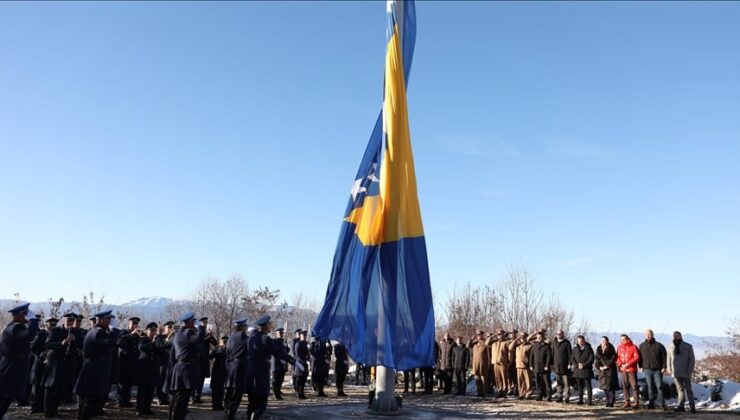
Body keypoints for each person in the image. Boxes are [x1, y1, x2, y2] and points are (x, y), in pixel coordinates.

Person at [245, 315, 300, 420]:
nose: (271, 326)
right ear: (266, 326)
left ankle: (250, 416)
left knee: (252, 400)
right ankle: (255, 416)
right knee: (262, 400)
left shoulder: (252, 337)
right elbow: (278, 353)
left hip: (250, 370)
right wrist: (293, 361)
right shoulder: (266, 338)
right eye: (270, 324)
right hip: (261, 371)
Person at [74, 310, 120, 420]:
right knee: (88, 401)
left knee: (94, 400)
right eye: (107, 319)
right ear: (100, 320)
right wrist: (114, 329)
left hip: (97, 369)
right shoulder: (97, 332)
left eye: (110, 319)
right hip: (93, 371)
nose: (109, 321)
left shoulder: (99, 331)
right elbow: (110, 342)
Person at [0, 303, 40, 419]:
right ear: (17, 315)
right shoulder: (16, 327)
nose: (26, 316)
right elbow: (31, 335)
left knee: (7, 394)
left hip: (10, 364)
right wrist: (32, 319)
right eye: (25, 314)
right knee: (7, 394)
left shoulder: (10, 327)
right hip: (13, 366)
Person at [168, 311, 206, 420]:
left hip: (179, 368)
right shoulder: (186, 334)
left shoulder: (178, 334)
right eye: (193, 321)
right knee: (181, 400)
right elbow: (199, 338)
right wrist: (202, 327)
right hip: (185, 369)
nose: (195, 323)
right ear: (188, 322)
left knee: (179, 398)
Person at [43, 313, 74, 418]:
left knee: (59, 388)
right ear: (64, 320)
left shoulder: (72, 332)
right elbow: (48, 344)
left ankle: (55, 410)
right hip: (54, 363)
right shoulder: (56, 330)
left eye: (72, 321)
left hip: (65, 364)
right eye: (69, 320)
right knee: (50, 388)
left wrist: (74, 341)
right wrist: (61, 343)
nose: (70, 323)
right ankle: (47, 412)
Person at [224, 318, 249, 420]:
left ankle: (227, 414)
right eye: (245, 326)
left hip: (230, 368)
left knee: (229, 394)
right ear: (242, 327)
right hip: (239, 368)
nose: (246, 328)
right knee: (236, 395)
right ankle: (230, 416)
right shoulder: (243, 336)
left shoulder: (230, 337)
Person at [667, 331, 696, 414]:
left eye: (677, 336)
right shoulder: (670, 346)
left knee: (688, 389)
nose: (675, 337)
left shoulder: (688, 346)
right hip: (675, 372)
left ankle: (692, 407)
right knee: (680, 389)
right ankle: (681, 406)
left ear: (680, 336)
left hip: (685, 371)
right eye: (674, 336)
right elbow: (668, 359)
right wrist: (669, 369)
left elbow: (692, 360)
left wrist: (690, 370)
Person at [29, 318, 54, 414]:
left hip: (49, 365)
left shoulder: (54, 335)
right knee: (36, 386)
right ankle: (34, 406)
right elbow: (33, 348)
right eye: (51, 325)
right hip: (39, 364)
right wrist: (40, 354)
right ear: (47, 325)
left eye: (54, 325)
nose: (52, 327)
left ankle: (42, 406)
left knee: (44, 386)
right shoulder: (41, 335)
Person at [639, 329, 667, 410]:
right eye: (647, 334)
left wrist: (664, 367)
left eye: (650, 334)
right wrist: (640, 366)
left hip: (658, 370)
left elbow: (664, 357)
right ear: (645, 335)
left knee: (659, 387)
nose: (648, 336)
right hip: (647, 370)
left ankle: (662, 403)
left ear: (653, 335)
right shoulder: (642, 345)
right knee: (650, 387)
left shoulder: (659, 345)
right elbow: (640, 357)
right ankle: (651, 404)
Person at [135, 322, 159, 416]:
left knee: (150, 389)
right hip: (144, 368)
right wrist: (151, 342)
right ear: (147, 331)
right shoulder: (143, 339)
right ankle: (139, 408)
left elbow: (161, 349)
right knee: (142, 389)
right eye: (151, 330)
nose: (153, 332)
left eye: (154, 330)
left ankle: (147, 407)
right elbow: (142, 348)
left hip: (153, 368)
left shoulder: (156, 340)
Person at [117, 316, 141, 408]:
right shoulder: (123, 332)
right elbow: (119, 341)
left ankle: (127, 401)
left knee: (129, 383)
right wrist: (131, 334)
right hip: (124, 361)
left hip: (133, 361)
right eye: (133, 324)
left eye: (136, 324)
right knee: (123, 382)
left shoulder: (138, 334)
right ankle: (121, 401)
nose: (134, 325)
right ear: (129, 324)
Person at [192, 317, 216, 404]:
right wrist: (206, 336)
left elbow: (215, 343)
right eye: (203, 322)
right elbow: (199, 341)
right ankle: (193, 396)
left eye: (206, 322)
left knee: (201, 378)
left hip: (204, 359)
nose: (205, 324)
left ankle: (197, 396)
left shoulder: (206, 332)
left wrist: (211, 336)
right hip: (197, 359)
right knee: (196, 378)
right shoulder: (198, 331)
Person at [616, 334, 641, 409]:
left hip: (631, 369)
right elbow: (617, 357)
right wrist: (620, 364)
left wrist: (627, 364)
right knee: (625, 386)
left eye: (624, 339)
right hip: (623, 370)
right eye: (621, 339)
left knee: (634, 386)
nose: (623, 340)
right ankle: (627, 401)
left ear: (627, 339)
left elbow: (637, 357)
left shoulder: (633, 346)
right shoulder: (619, 347)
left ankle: (636, 402)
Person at [594, 336, 619, 407]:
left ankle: (611, 401)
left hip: (610, 370)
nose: (603, 342)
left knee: (610, 387)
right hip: (602, 371)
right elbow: (597, 360)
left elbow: (613, 358)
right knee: (604, 387)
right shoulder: (598, 349)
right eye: (601, 340)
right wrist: (599, 367)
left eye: (604, 340)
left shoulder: (611, 349)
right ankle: (608, 401)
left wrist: (607, 365)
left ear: (607, 341)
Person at [154, 321, 174, 406]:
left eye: (171, 327)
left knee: (171, 381)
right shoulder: (159, 337)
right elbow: (160, 345)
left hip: (172, 362)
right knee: (161, 380)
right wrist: (168, 337)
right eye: (169, 327)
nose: (170, 329)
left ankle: (169, 398)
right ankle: (161, 398)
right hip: (162, 362)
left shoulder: (175, 337)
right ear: (165, 327)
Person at [571, 335, 594, 405]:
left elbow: (591, 359)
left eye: (581, 341)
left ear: (584, 341)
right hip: (577, 370)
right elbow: (572, 358)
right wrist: (576, 365)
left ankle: (589, 401)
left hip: (586, 370)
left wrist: (583, 365)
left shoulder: (589, 348)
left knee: (588, 386)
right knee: (579, 386)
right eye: (578, 341)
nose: (580, 342)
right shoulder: (575, 349)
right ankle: (580, 400)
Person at [529, 330, 551, 402]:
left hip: (544, 368)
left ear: (543, 338)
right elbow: (531, 356)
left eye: (540, 337)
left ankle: (548, 396)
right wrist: (531, 365)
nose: (539, 338)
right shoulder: (534, 345)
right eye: (538, 337)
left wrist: (547, 365)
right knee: (538, 383)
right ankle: (539, 395)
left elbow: (549, 356)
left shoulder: (546, 346)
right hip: (536, 367)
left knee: (547, 383)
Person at [550, 330, 572, 403]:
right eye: (557, 334)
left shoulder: (567, 343)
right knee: (559, 383)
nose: (559, 335)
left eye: (560, 334)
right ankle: (559, 396)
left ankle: (567, 397)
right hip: (557, 367)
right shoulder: (554, 343)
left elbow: (570, 354)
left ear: (563, 334)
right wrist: (551, 364)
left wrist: (570, 363)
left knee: (566, 383)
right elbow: (552, 355)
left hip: (565, 367)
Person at [467, 331, 490, 397]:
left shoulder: (485, 343)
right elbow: (467, 346)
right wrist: (471, 339)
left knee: (483, 378)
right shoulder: (475, 343)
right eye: (478, 335)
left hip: (483, 364)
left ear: (482, 335)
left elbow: (488, 355)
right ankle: (479, 391)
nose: (479, 336)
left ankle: (484, 392)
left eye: (480, 335)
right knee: (477, 378)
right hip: (475, 364)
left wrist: (488, 364)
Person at [487, 330, 510, 398]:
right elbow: (486, 343)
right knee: (498, 379)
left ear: (503, 335)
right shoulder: (494, 343)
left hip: (503, 363)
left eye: (501, 334)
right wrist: (492, 336)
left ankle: (504, 392)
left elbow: (510, 348)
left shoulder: (506, 342)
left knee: (504, 378)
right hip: (495, 363)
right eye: (498, 334)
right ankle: (500, 391)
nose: (500, 336)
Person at [510, 332, 532, 400]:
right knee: (520, 381)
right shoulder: (517, 346)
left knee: (527, 381)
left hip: (526, 366)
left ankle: (528, 394)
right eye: (521, 338)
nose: (522, 339)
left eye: (524, 338)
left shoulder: (529, 346)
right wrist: (516, 339)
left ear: (526, 338)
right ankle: (522, 393)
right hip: (518, 366)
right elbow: (510, 348)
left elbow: (532, 356)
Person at [270, 328, 290, 400]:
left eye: (282, 333)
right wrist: (283, 346)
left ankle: (278, 392)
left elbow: (287, 351)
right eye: (280, 333)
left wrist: (286, 345)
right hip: (276, 363)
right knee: (275, 380)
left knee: (281, 379)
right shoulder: (274, 341)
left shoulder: (284, 341)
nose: (281, 334)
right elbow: (276, 350)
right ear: (276, 333)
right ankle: (275, 394)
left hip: (282, 364)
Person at [209, 335, 228, 411]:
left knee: (218, 389)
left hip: (220, 371)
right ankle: (217, 405)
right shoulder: (220, 349)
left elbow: (210, 357)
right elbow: (210, 357)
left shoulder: (222, 349)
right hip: (220, 371)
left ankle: (217, 405)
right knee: (218, 389)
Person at [293, 330, 310, 399]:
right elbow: (298, 355)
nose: (305, 337)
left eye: (305, 335)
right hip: (299, 364)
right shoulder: (298, 344)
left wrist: (308, 358)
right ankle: (298, 393)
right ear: (300, 336)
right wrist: (304, 361)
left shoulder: (305, 344)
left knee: (303, 380)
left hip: (305, 364)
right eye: (303, 335)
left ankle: (302, 393)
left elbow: (307, 354)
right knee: (298, 379)